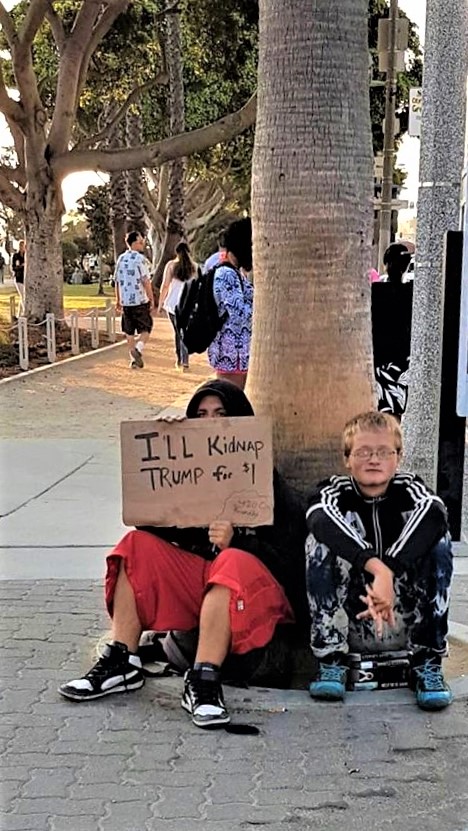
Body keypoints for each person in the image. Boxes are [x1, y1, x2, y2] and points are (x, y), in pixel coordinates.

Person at [59, 379, 308, 729]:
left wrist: (239, 542)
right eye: (200, 415)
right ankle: (122, 661)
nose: (210, 422)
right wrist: (171, 442)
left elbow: (293, 567)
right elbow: (151, 528)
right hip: (204, 590)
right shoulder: (193, 479)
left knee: (230, 561)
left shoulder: (270, 487)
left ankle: (204, 680)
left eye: (220, 413)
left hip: (255, 601)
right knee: (135, 546)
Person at [305, 410, 453, 711]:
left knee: (438, 542)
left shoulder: (410, 489)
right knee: (318, 542)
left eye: (384, 452)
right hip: (354, 617)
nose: (374, 460)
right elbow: (318, 517)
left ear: (398, 458)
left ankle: (427, 661)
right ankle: (331, 660)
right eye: (363, 452)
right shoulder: (334, 491)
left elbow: (436, 513)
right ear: (347, 459)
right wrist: (377, 569)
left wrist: (391, 571)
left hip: (403, 619)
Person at [207, 218, 253, 390]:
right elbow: (238, 315)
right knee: (232, 398)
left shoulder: (233, 273)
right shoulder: (227, 274)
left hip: (234, 353)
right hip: (232, 354)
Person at [373, 242, 413, 416]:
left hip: (379, 356)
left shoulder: (375, 291)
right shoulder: (411, 293)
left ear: (386, 264)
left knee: (381, 404)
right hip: (400, 356)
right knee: (397, 405)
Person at [114, 230, 155, 369]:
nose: (142, 244)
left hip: (126, 301)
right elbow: (146, 280)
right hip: (139, 300)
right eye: (140, 242)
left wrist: (118, 299)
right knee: (146, 328)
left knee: (129, 331)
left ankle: (133, 360)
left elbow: (117, 281)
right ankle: (138, 349)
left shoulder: (121, 259)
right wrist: (151, 298)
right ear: (133, 243)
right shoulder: (139, 259)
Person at [158, 241, 197, 371]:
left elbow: (165, 286)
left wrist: (160, 303)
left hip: (173, 304)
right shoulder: (194, 267)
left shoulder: (171, 266)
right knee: (183, 332)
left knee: (178, 332)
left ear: (176, 252)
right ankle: (183, 360)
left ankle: (180, 359)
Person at [12, 240, 25, 314]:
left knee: (22, 296)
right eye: (21, 246)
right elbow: (14, 267)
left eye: (23, 246)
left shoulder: (26, 256)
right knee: (23, 296)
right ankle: (25, 311)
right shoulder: (16, 256)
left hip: (25, 279)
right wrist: (21, 266)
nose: (22, 247)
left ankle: (19, 314)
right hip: (18, 278)